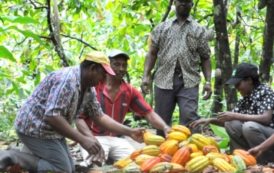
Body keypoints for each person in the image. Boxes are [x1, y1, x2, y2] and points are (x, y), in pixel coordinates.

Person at [0, 51, 144, 173]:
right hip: (34, 128)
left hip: (52, 131)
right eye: (103, 74)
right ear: (93, 68)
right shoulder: (67, 80)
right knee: (62, 170)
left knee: (68, 168)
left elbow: (99, 116)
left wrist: (130, 131)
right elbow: (52, 116)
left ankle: (29, 156)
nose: (104, 78)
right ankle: (14, 156)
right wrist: (82, 139)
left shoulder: (88, 87)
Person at [77, 50, 171, 165]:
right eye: (116, 64)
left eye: (124, 65)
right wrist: (88, 138)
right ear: (107, 66)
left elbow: (149, 113)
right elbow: (79, 117)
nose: (121, 69)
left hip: (118, 139)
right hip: (95, 138)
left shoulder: (129, 91)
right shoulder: (93, 86)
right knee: (93, 165)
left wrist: (165, 127)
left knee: (136, 165)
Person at [141, 0, 212, 135]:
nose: (183, 4)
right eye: (180, 0)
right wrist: (146, 76)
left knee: (190, 118)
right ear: (174, 2)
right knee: (161, 120)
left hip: (189, 80)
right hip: (164, 79)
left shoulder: (199, 30)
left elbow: (205, 57)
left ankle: (188, 152)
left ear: (192, 4)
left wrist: (208, 81)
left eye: (187, 1)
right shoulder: (162, 28)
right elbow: (152, 53)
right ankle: (162, 151)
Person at [191, 62, 274, 164]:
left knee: (249, 127)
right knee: (231, 123)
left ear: (249, 80)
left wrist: (235, 115)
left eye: (238, 84)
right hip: (258, 136)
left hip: (270, 137)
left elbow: (266, 118)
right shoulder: (245, 98)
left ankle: (267, 163)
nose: (236, 87)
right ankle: (243, 159)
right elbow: (229, 119)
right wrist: (210, 120)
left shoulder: (264, 91)